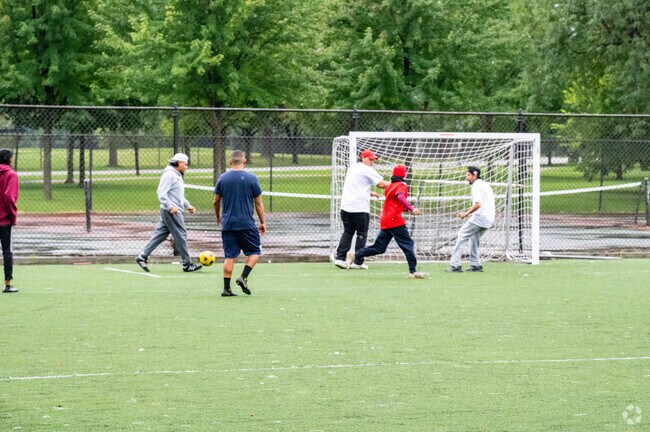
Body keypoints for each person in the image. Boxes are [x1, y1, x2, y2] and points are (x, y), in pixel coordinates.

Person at [347, 164, 428, 279]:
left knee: (380, 247)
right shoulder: (402, 185)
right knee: (408, 244)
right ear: (404, 174)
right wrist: (412, 208)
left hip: (386, 220)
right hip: (395, 221)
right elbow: (400, 196)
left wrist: (406, 209)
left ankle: (355, 254)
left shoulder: (390, 186)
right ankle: (413, 271)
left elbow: (394, 203)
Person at [135, 153, 202, 273]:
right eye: (186, 164)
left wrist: (188, 205)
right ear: (180, 163)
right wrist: (170, 207)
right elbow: (161, 193)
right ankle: (187, 264)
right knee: (181, 235)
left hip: (172, 210)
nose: (187, 167)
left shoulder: (176, 175)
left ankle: (142, 257)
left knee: (160, 234)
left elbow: (178, 194)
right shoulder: (169, 175)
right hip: (171, 211)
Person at [213, 150, 266, 297]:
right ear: (245, 161)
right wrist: (262, 222)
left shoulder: (222, 179)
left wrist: (218, 216)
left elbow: (216, 201)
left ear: (230, 162)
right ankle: (243, 277)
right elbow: (258, 202)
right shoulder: (252, 179)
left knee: (229, 255)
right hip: (246, 224)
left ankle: (226, 288)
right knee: (255, 252)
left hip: (228, 224)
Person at [334, 149, 389, 269]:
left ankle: (340, 258)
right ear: (363, 158)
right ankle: (358, 261)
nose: (371, 162)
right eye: (370, 159)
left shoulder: (352, 168)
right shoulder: (367, 169)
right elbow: (381, 184)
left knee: (348, 232)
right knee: (361, 234)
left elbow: (356, 186)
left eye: (373, 160)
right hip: (359, 208)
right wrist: (397, 184)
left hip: (346, 207)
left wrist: (370, 193)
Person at [446, 166, 495, 273]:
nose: (466, 177)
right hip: (489, 219)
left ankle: (455, 265)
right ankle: (476, 265)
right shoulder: (485, 184)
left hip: (480, 217)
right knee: (475, 239)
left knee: (462, 235)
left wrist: (466, 214)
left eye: (468, 175)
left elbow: (478, 204)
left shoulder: (476, 186)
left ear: (475, 175)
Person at [0, 149, 18, 293]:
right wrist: (12, 216)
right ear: (9, 160)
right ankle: (7, 284)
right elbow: (9, 197)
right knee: (7, 251)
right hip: (4, 221)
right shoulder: (11, 175)